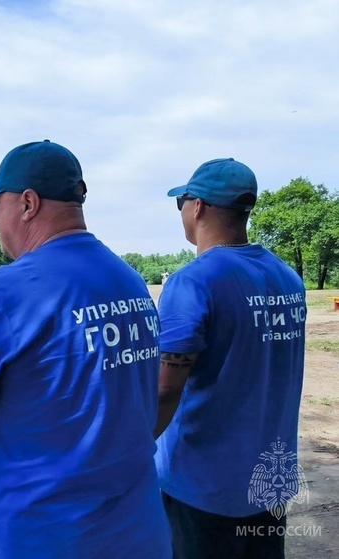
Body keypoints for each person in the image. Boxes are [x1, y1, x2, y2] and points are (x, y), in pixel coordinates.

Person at [0, 140, 171, 558]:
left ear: (27, 203)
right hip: (139, 530)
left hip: (41, 537)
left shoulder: (0, 292)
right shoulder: (129, 281)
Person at [155, 158, 307, 558]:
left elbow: (164, 391)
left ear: (198, 206)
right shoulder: (288, 278)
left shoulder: (194, 282)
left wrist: (131, 451)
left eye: (181, 203)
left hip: (202, 487)